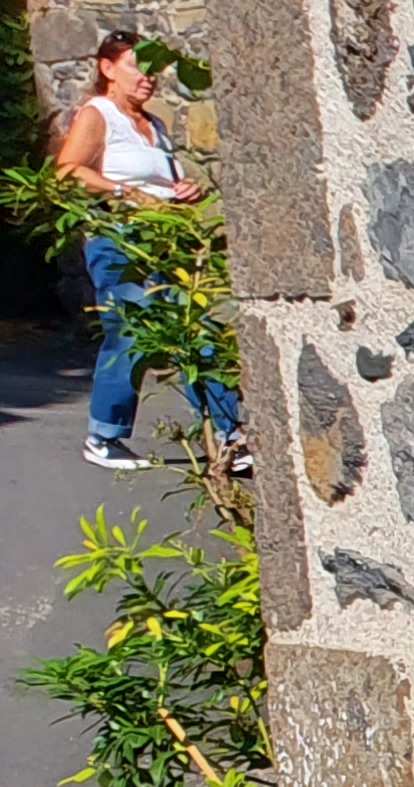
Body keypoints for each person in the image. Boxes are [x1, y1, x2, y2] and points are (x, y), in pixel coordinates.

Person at [51, 35, 241, 474]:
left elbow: (162, 183)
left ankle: (229, 437)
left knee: (195, 330)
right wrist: (126, 192)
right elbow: (67, 171)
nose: (148, 78)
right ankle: (104, 436)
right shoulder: (99, 114)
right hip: (120, 239)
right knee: (132, 330)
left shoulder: (153, 125)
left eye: (153, 70)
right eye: (137, 67)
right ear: (107, 69)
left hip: (164, 240)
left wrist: (183, 190)